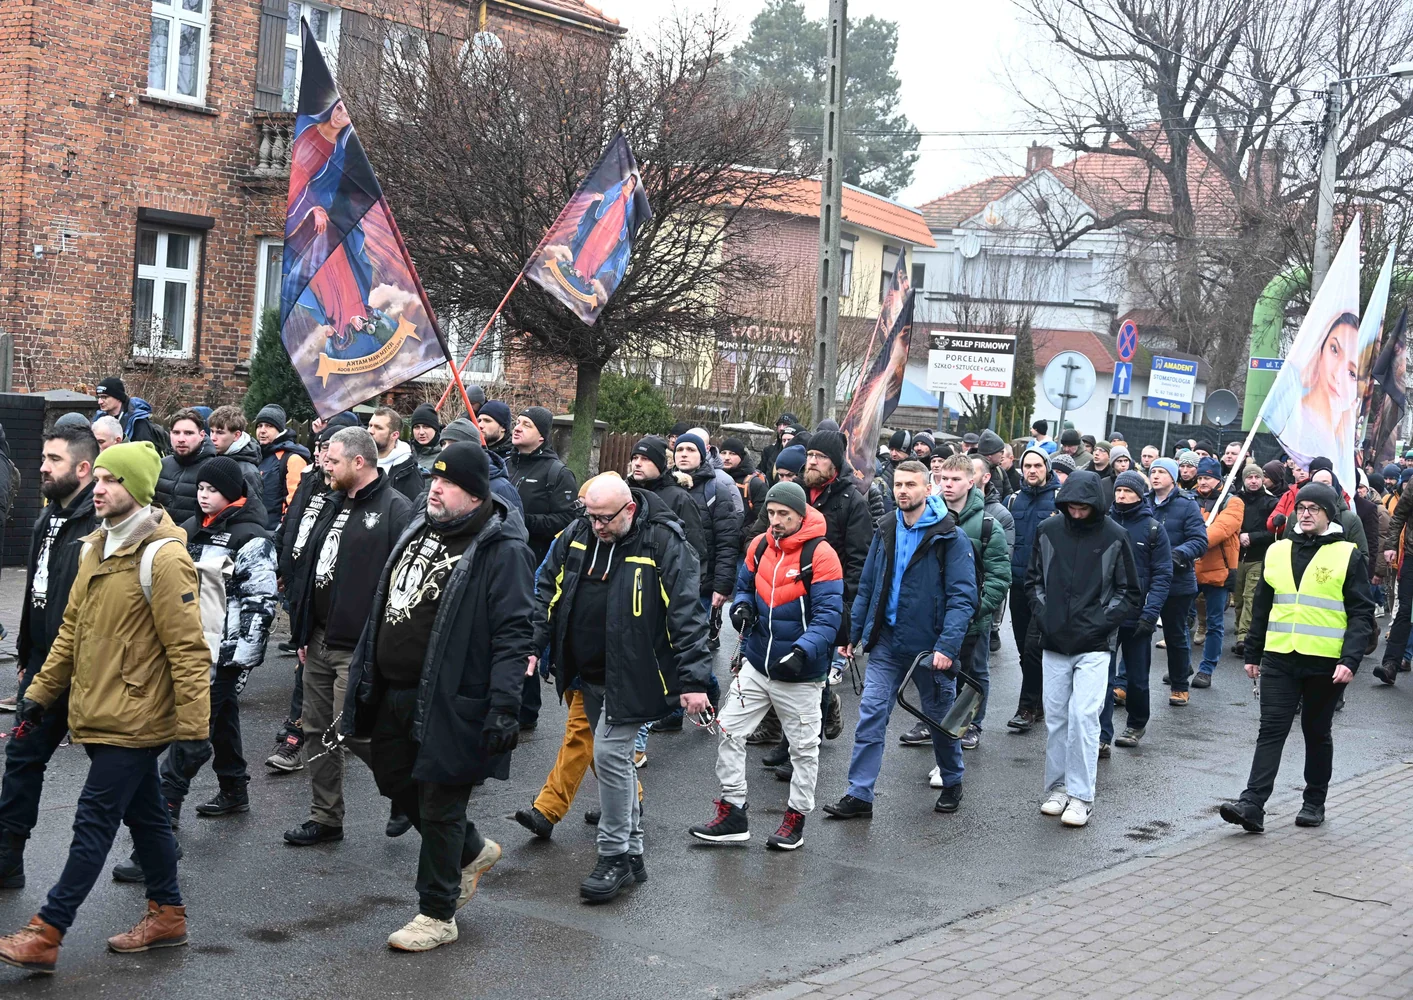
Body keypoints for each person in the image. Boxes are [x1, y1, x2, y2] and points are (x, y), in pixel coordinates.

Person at [0, 442, 210, 972]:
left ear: (136, 490)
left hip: (136, 717)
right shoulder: (95, 547)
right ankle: (169, 915)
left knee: (93, 820)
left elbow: (188, 651)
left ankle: (47, 929)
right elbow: (70, 633)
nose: (99, 487)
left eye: (113, 480)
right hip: (98, 710)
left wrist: (194, 731)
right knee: (147, 820)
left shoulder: (164, 558)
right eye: (100, 478)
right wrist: (39, 695)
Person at [342, 440, 536, 951]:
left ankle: (437, 912)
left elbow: (516, 631)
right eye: (434, 479)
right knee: (393, 779)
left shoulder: (503, 549)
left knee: (440, 801)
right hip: (394, 689)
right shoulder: (420, 527)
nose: (434, 488)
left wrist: (504, 706)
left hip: (455, 697)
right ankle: (471, 850)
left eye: (447, 484)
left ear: (475, 496)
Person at [531, 476, 711, 902]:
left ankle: (612, 855)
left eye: (604, 518)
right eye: (591, 516)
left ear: (629, 509)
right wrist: (532, 644)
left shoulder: (663, 542)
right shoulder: (577, 532)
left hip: (635, 673)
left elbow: (686, 613)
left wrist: (694, 681)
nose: (596, 526)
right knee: (618, 763)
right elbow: (547, 589)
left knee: (610, 756)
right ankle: (633, 855)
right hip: (586, 672)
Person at [113, 458, 279, 883]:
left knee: (189, 734)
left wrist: (240, 658)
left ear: (232, 492)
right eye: (200, 487)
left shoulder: (252, 537)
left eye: (212, 488)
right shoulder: (189, 527)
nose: (203, 494)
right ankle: (233, 788)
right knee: (220, 719)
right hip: (190, 646)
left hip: (223, 652)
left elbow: (260, 604)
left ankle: (160, 834)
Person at [690, 481, 843, 850]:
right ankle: (733, 811)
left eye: (783, 515)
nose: (775, 521)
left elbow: (829, 616)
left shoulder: (821, 555)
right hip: (756, 665)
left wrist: (803, 652)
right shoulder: (759, 546)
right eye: (771, 513)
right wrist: (741, 606)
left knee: (804, 750)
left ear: (800, 514)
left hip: (802, 674)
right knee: (728, 731)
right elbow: (745, 587)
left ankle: (795, 820)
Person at [823, 461, 977, 819]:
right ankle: (859, 794)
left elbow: (963, 598)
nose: (903, 490)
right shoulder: (887, 527)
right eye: (898, 484)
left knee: (941, 721)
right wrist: (853, 635)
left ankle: (952, 780)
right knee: (872, 715)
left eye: (911, 484)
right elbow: (869, 586)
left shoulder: (950, 537)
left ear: (929, 488)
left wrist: (946, 647)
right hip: (888, 644)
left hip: (930, 649)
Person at [1220, 483, 1375, 833]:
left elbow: (1362, 614)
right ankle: (1252, 804)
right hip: (1279, 657)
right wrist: (1253, 652)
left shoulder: (1346, 554)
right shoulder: (1277, 551)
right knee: (1271, 730)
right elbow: (1262, 607)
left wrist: (1350, 660)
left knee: (1316, 731)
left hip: (1325, 662)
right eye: (1301, 507)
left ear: (1328, 514)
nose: (1305, 514)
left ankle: (1313, 801)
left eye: (1314, 509)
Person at [283, 427, 412, 847]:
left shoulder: (396, 509)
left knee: (353, 732)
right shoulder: (330, 502)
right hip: (318, 639)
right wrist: (303, 629)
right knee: (317, 731)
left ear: (360, 462)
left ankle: (407, 792)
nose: (325, 466)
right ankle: (325, 817)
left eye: (333, 461)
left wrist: (383, 647)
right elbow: (310, 568)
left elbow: (404, 584)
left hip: (358, 647)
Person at [0, 425, 100, 889]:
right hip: (43, 663)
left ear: (83, 468)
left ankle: (154, 852)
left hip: (90, 670)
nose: (42, 467)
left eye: (53, 460)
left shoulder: (97, 525)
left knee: (118, 767)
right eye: (42, 457)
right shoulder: (48, 517)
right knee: (23, 755)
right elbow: (34, 593)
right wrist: (26, 649)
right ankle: (7, 859)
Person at [1028, 470, 1140, 828]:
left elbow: (1130, 591)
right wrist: (1047, 616)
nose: (1076, 513)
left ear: (1095, 504)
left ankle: (1081, 796)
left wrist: (1100, 622)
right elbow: (1033, 581)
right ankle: (1058, 788)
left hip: (1094, 643)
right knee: (1058, 718)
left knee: (1084, 717)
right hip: (1055, 640)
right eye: (1071, 507)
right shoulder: (1048, 531)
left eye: (1082, 507)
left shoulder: (1115, 536)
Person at [651, 432, 734, 721]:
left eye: (691, 449)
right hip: (666, 577)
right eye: (680, 449)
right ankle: (673, 710)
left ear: (703, 454)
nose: (684, 454)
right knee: (665, 642)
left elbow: (725, 541)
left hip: (700, 580)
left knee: (688, 643)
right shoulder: (666, 486)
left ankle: (707, 687)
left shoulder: (716, 489)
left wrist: (722, 585)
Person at [930, 454, 1009, 754]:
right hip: (937, 614)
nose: (948, 485)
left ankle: (972, 724)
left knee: (974, 672)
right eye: (944, 479)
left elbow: (999, 576)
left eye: (955, 479)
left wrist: (976, 610)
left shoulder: (988, 525)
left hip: (974, 617)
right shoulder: (931, 516)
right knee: (934, 669)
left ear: (971, 482)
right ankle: (933, 721)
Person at [507, 406, 577, 728]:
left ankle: (527, 709)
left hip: (535, 566)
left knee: (526, 634)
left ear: (542, 435)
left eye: (526, 424)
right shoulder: (506, 465)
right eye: (517, 422)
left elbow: (566, 520)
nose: (517, 427)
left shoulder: (557, 473)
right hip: (504, 563)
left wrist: (522, 521)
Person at [1104, 470, 1171, 750]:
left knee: (1138, 678)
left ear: (1139, 494)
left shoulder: (1153, 528)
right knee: (1103, 678)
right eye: (1118, 491)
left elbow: (1162, 574)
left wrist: (1150, 613)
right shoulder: (1103, 523)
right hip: (1106, 615)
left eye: (1128, 491)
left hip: (1137, 615)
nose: (1121, 496)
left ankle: (1136, 724)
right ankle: (1102, 735)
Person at [1004, 447, 1059, 732]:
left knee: (1034, 647)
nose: (1032, 470)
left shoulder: (1060, 499)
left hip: (1047, 588)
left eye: (1038, 465)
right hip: (1017, 584)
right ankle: (1036, 703)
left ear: (1047, 468)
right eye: (1027, 466)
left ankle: (1025, 707)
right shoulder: (1013, 500)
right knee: (1024, 649)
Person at [1149, 458, 1207, 705]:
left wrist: (1176, 555)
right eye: (1153, 472)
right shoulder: (1142, 501)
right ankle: (1122, 684)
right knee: (1134, 633)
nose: (1156, 476)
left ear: (1173, 478)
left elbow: (1199, 541)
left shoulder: (1187, 505)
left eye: (1162, 472)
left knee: (1175, 635)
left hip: (1177, 581)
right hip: (1146, 581)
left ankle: (1180, 685)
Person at [1191, 457, 1244, 688]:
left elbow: (1221, 529)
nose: (1203, 482)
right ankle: (1181, 666)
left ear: (1218, 479)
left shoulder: (1233, 502)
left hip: (1219, 572)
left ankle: (1206, 669)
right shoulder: (1188, 498)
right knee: (1182, 621)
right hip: (1189, 570)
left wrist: (1193, 541)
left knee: (1214, 623)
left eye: (1208, 478)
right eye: (1200, 477)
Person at [1233, 463, 1279, 657]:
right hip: (1237, 557)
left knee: (1251, 597)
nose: (1253, 481)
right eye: (1249, 478)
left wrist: (1252, 537)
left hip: (1259, 556)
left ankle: (1244, 637)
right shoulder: (1235, 500)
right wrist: (1240, 535)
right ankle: (1239, 627)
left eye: (1257, 477)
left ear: (1263, 479)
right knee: (1238, 597)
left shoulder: (1271, 502)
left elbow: (1274, 532)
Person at [972, 454, 1015, 659]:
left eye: (972, 472)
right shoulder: (943, 509)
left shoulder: (1000, 515)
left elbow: (999, 572)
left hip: (979, 607)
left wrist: (981, 608)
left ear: (986, 477)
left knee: (978, 669)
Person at [439, 417, 523, 515]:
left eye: (453, 443)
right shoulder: (440, 481)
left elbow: (515, 526)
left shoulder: (502, 488)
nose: (445, 449)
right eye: (443, 444)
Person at [154, 408, 215, 528]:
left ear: (201, 435)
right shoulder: (161, 465)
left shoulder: (213, 469)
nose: (181, 439)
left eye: (188, 433)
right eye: (176, 433)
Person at [254, 404, 311, 531]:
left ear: (279, 430)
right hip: (255, 529)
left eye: (269, 426)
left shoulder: (293, 458)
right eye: (259, 426)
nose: (262, 430)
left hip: (275, 531)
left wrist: (281, 531)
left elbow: (295, 503)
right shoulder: (257, 455)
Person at [207, 405, 266, 516]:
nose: (213, 437)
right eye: (211, 431)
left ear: (236, 435)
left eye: (220, 432)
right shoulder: (211, 458)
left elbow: (253, 512)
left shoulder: (248, 471)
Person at [370, 406, 424, 502]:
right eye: (370, 425)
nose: (370, 431)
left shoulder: (408, 470)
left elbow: (413, 510)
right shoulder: (360, 460)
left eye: (379, 428)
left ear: (394, 435)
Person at [720, 437, 767, 540]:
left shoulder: (754, 483)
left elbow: (763, 518)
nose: (726, 457)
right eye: (723, 453)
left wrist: (739, 535)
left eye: (732, 453)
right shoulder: (714, 478)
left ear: (741, 457)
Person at [94, 377, 160, 447]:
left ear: (118, 397)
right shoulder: (99, 418)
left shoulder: (137, 421)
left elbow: (145, 452)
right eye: (99, 397)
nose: (100, 402)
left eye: (104, 397)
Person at [867, 429, 912, 522]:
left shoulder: (915, 471)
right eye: (891, 449)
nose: (894, 454)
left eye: (898, 450)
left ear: (907, 452)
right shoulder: (884, 467)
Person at [759, 412, 799, 481]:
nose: (781, 428)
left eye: (785, 425)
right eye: (779, 425)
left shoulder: (802, 453)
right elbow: (760, 472)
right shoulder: (769, 451)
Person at [976, 430, 1013, 499]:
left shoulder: (1000, 472)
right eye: (1001, 452)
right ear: (990, 454)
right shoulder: (967, 470)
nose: (1002, 456)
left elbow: (1008, 498)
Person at [408, 402, 443, 473]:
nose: (421, 432)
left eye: (426, 427)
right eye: (417, 427)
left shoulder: (445, 455)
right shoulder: (405, 452)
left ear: (435, 429)